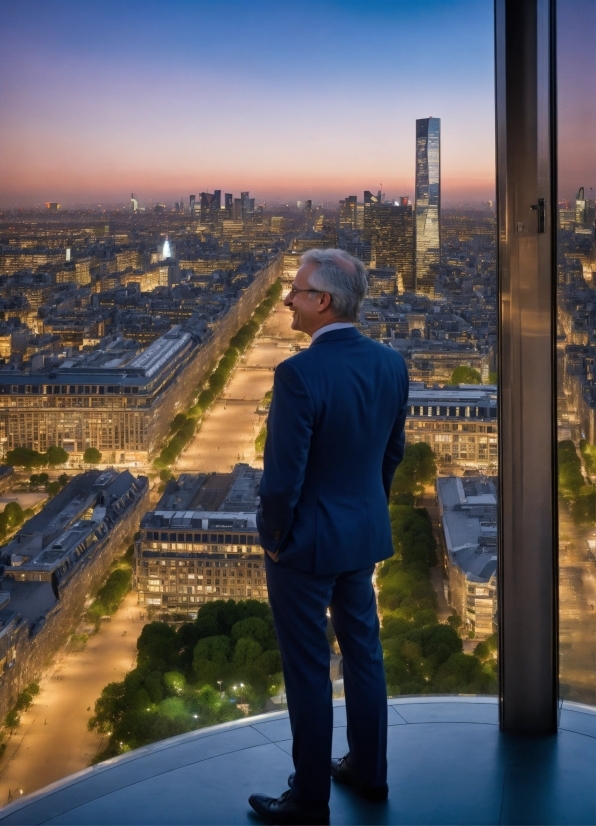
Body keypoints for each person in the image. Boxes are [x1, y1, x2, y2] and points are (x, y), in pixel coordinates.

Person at [249, 249, 409, 825]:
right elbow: (392, 453)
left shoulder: (299, 374)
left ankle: (309, 796)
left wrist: (273, 538)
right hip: (361, 534)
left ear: (323, 301)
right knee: (365, 656)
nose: (287, 298)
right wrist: (368, 508)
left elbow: (281, 478)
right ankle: (369, 771)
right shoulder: (392, 363)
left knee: (308, 668)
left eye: (296, 290)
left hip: (305, 545)